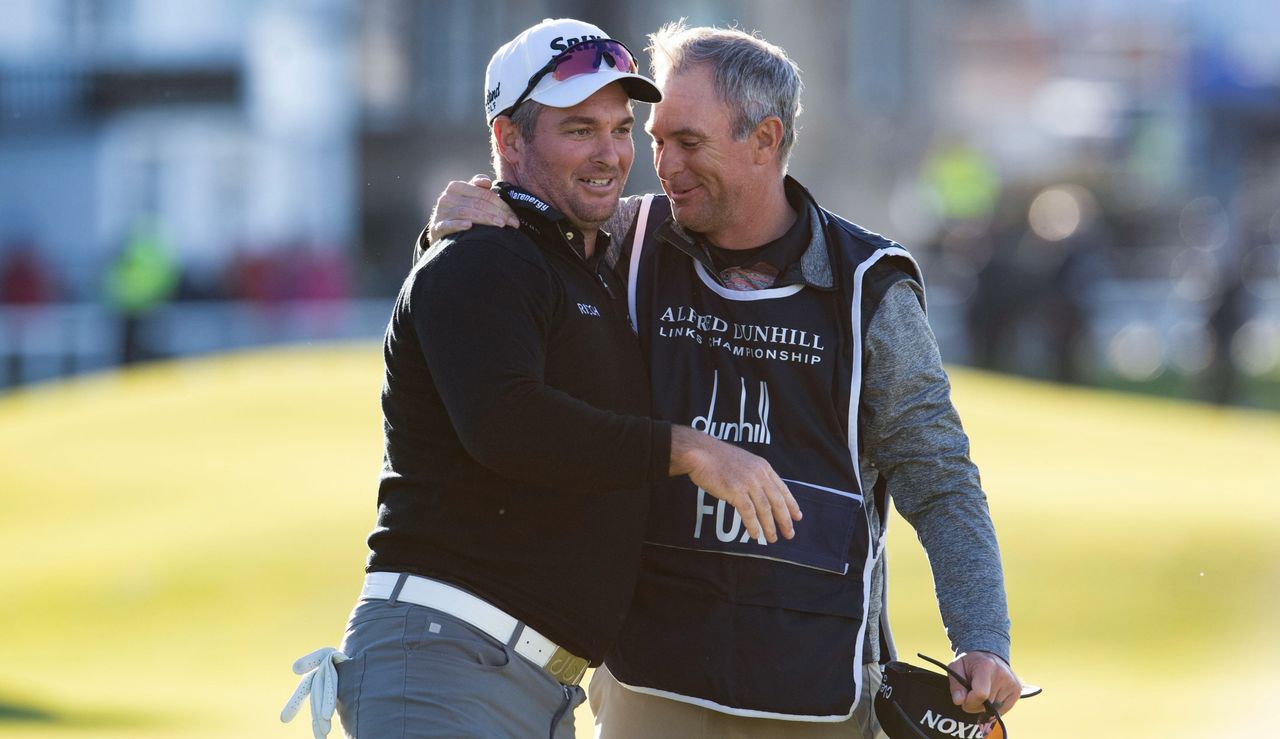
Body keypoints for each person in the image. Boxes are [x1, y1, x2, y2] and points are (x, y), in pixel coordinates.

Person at [427, 21, 1027, 738]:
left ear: (765, 139)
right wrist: (449, 227)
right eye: (655, 140)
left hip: (819, 692)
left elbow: (938, 474)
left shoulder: (869, 284)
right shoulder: (617, 240)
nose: (662, 165)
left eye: (689, 143)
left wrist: (981, 638)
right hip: (650, 685)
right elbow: (484, 302)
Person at [281, 18, 801, 739]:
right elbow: (508, 424)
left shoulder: (576, 262)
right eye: (579, 129)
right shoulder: (482, 259)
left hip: (526, 683)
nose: (611, 154)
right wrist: (688, 449)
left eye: (622, 129)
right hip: (446, 659)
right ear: (509, 140)